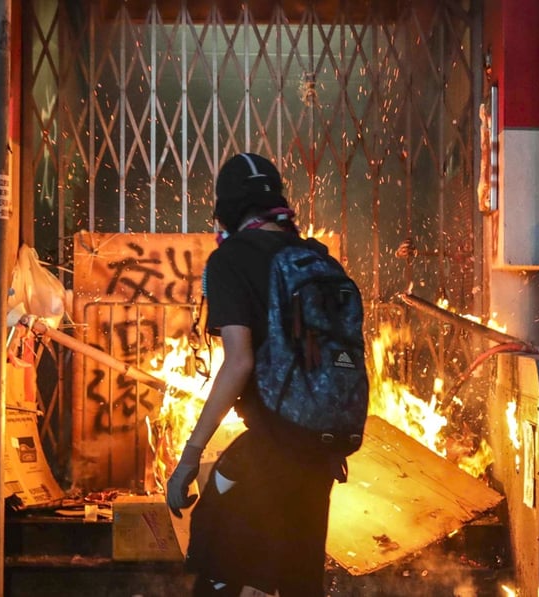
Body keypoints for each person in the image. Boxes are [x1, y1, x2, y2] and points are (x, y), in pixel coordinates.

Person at [166, 153, 347, 596]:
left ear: (226, 208)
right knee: (295, 582)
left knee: (225, 574)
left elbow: (239, 361)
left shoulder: (231, 260)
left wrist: (190, 457)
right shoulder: (317, 259)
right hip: (319, 456)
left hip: (269, 450)